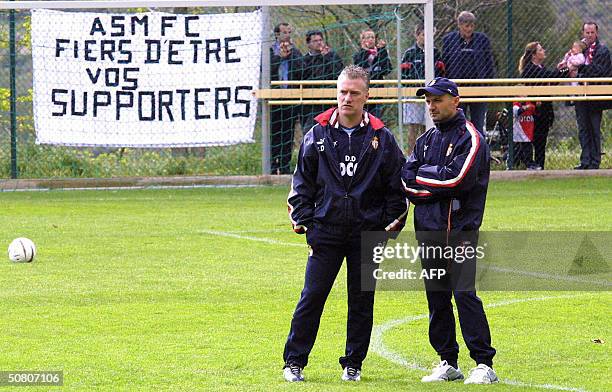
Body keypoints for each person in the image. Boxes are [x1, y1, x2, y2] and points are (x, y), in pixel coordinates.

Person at [283, 65, 407, 383]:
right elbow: (301, 186)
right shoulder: (317, 135)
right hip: (326, 231)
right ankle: (294, 361)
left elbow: (398, 190)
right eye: (342, 92)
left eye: (354, 92)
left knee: (362, 300)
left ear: (367, 96)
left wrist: (385, 230)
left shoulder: (383, 138)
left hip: (367, 234)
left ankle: (353, 363)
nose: (347, 98)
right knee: (312, 296)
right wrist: (306, 223)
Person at [401, 77, 498, 384]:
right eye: (428, 101)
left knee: (464, 294)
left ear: (455, 101)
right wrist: (435, 180)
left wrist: (425, 177)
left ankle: (484, 364)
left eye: (437, 100)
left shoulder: (472, 137)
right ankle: (448, 361)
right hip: (427, 230)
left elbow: (457, 181)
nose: (432, 106)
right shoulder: (425, 140)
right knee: (437, 297)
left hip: (460, 230)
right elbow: (406, 181)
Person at [442, 11, 495, 135]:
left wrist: (488, 86)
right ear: (459, 25)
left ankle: (478, 152)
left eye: (472, 25)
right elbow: (444, 64)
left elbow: (489, 64)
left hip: (479, 89)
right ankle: (460, 151)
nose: (469, 29)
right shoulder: (449, 40)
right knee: (458, 124)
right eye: (466, 26)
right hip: (457, 89)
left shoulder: (482, 40)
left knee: (478, 126)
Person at [518, 42, 566, 170]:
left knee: (541, 141)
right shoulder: (529, 69)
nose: (543, 51)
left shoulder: (541, 67)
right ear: (534, 55)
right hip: (534, 111)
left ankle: (540, 166)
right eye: (540, 49)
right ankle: (530, 164)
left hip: (544, 110)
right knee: (534, 139)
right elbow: (549, 77)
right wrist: (564, 68)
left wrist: (564, 70)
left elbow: (552, 81)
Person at [573, 22, 611, 170]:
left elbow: (600, 71)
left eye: (592, 32)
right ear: (583, 33)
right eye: (587, 32)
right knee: (583, 128)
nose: (589, 35)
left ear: (596, 33)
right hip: (580, 95)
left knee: (594, 128)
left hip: (595, 97)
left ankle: (595, 161)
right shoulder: (577, 50)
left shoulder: (602, 51)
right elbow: (571, 65)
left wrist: (582, 67)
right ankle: (585, 160)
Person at [401, 24, 445, 152]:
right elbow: (404, 76)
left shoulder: (436, 52)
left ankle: (426, 154)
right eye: (423, 35)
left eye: (429, 36)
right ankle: (410, 156)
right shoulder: (409, 53)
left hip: (431, 95)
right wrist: (414, 86)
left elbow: (441, 72)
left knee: (428, 127)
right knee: (413, 127)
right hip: (413, 94)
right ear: (417, 35)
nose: (426, 38)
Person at [270, 22, 303, 174]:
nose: (287, 35)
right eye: (284, 32)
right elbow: (266, 70)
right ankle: (271, 166)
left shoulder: (295, 51)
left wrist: (289, 57)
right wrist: (279, 57)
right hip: (273, 99)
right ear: (277, 34)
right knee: (274, 133)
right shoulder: (269, 51)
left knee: (288, 133)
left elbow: (302, 70)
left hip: (290, 99)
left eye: (289, 32)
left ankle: (284, 166)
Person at [297, 30, 344, 132]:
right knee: (309, 131)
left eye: (320, 40)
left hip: (330, 101)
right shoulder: (303, 60)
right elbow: (302, 77)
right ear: (308, 44)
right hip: (310, 103)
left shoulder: (333, 56)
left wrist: (327, 57)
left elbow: (339, 74)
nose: (319, 43)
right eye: (315, 41)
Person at [352, 28, 392, 119]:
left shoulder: (380, 53)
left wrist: (383, 51)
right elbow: (360, 68)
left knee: (375, 119)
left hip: (377, 91)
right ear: (362, 40)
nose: (371, 39)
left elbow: (387, 69)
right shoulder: (358, 55)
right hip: (362, 91)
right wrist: (365, 51)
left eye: (373, 37)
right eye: (368, 37)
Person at [512, 101, 538, 169]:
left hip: (528, 131)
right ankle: (513, 164)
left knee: (527, 148)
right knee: (518, 149)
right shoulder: (515, 103)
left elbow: (535, 110)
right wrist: (526, 107)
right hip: (519, 132)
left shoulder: (529, 102)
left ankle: (529, 164)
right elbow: (518, 111)